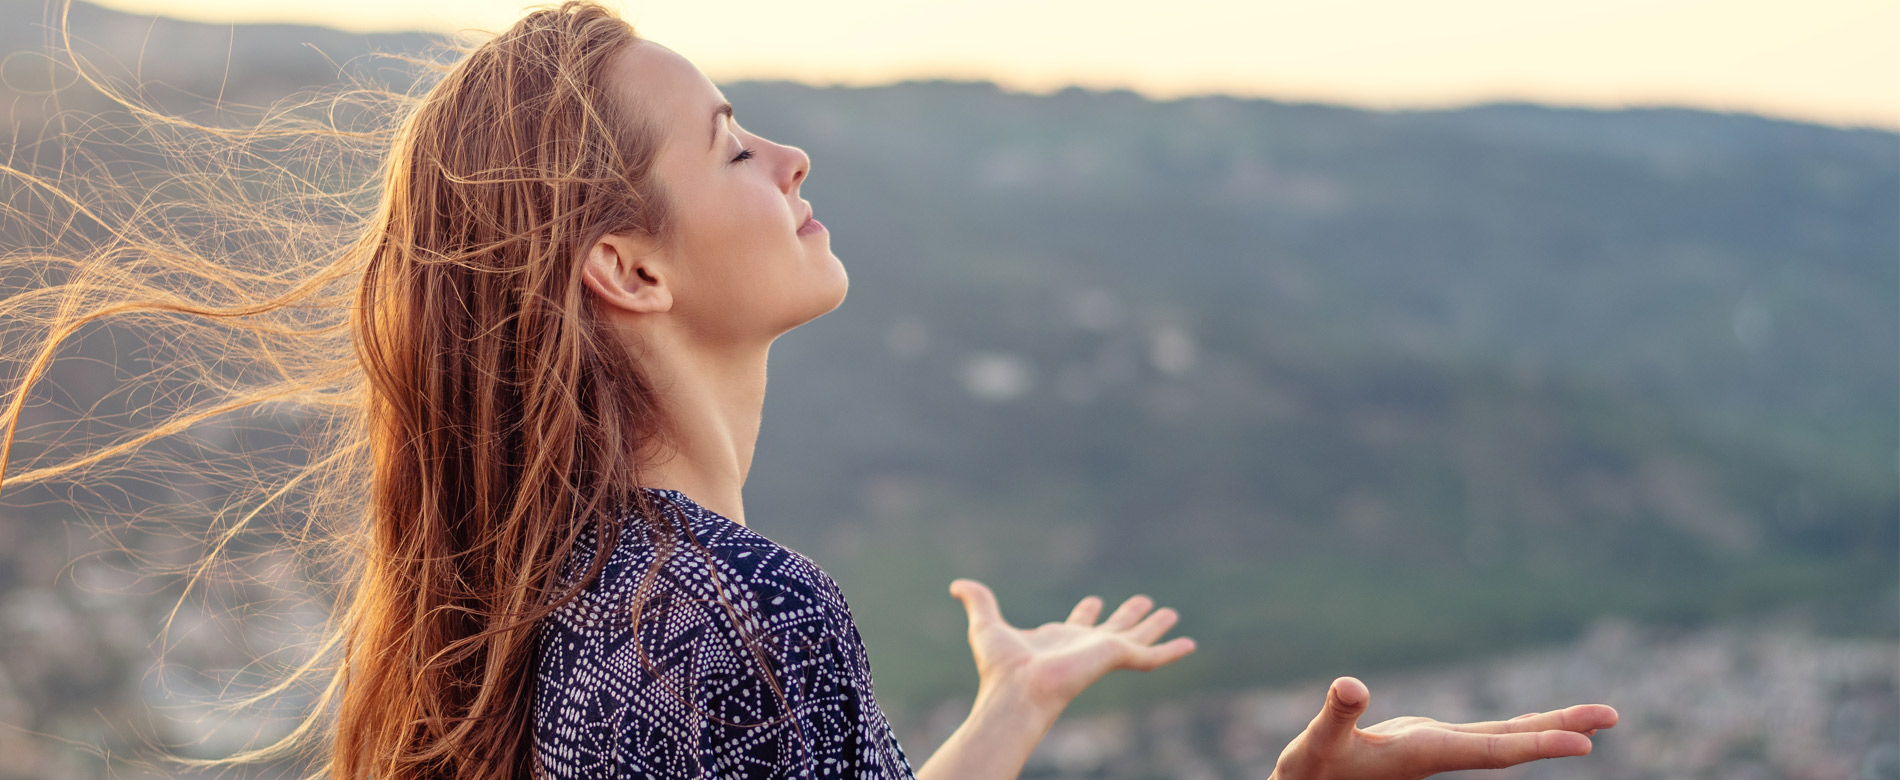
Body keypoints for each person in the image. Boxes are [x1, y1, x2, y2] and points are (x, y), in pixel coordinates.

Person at [0, 3, 1615, 778]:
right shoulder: (740, 615)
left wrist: (1008, 711)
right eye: (730, 145)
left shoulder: (582, 600)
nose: (791, 155)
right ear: (629, 269)